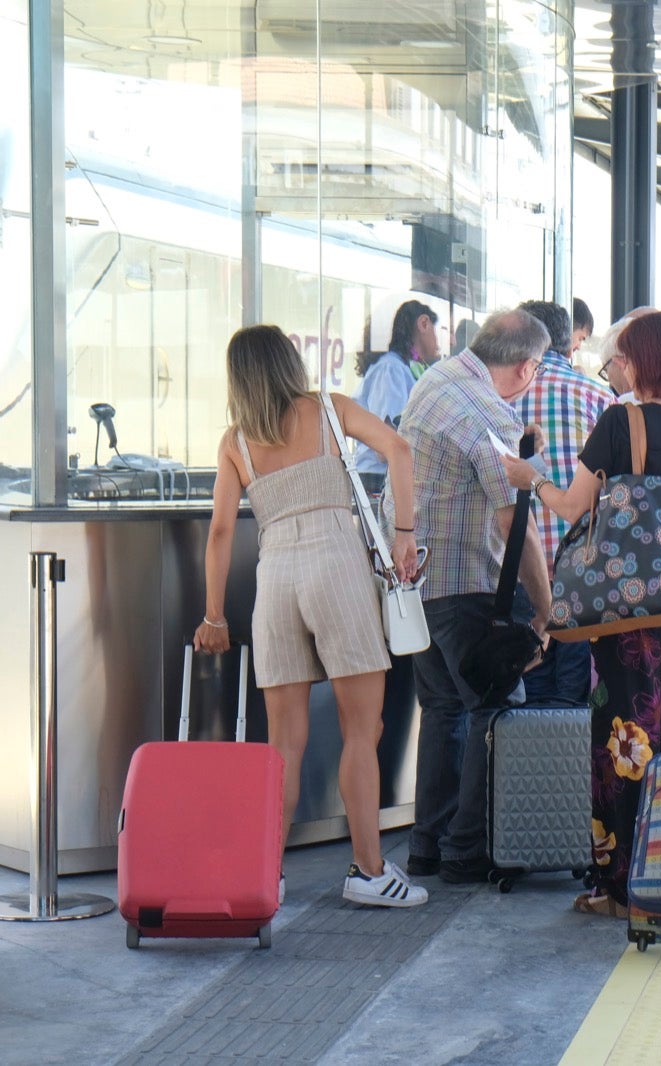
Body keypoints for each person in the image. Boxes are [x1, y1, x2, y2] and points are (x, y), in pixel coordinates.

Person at [500, 310, 661, 917]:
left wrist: (530, 478)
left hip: (630, 619)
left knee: (622, 750)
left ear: (643, 362)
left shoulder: (621, 422)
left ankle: (619, 890)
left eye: (623, 357)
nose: (617, 367)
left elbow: (571, 507)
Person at [194, 324, 427, 908]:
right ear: (288, 362)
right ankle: (369, 873)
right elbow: (399, 449)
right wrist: (404, 535)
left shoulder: (235, 440)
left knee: (285, 744)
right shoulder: (329, 409)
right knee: (361, 730)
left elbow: (221, 531)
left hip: (275, 579)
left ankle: (263, 876)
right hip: (335, 567)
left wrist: (214, 615)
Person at [392, 308, 553, 883]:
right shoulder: (488, 411)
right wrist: (547, 608)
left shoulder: (435, 382)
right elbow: (516, 523)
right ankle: (467, 849)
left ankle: (428, 845)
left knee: (442, 710)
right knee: (498, 711)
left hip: (419, 586)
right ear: (528, 367)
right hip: (467, 588)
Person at [513, 299, 611, 704]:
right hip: (581, 575)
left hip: (518, 572)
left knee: (523, 694)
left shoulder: (500, 397)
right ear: (567, 341)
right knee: (573, 698)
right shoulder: (598, 397)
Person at [352, 299, 439, 478]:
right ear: (423, 324)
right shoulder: (390, 369)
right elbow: (385, 447)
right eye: (441, 331)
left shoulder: (400, 367)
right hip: (378, 478)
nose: (448, 340)